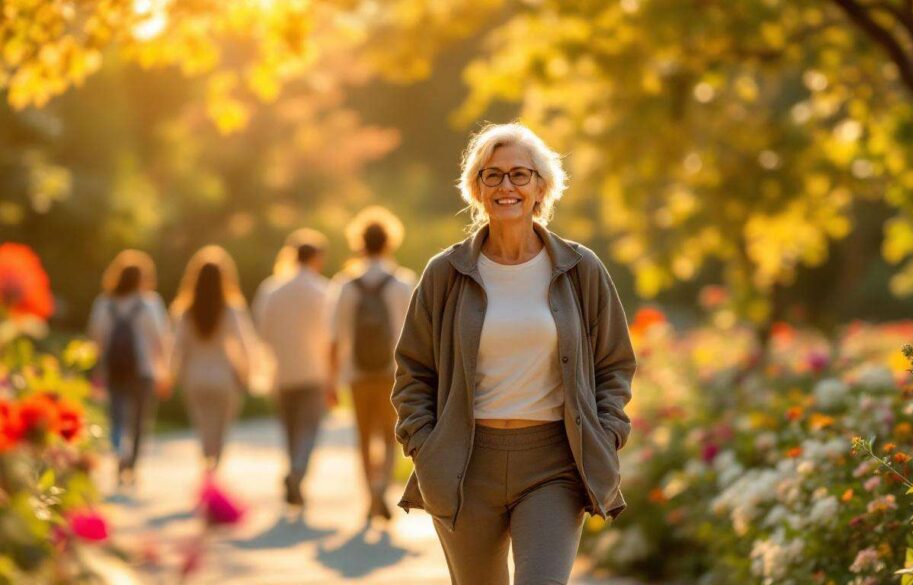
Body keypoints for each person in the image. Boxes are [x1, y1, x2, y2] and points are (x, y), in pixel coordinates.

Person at [392, 122, 636, 584]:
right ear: (477, 188)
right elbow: (413, 371)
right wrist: (423, 446)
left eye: (520, 175)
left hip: (554, 465)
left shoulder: (580, 269)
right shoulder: (445, 273)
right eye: (493, 175)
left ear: (541, 187)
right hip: (465, 465)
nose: (507, 186)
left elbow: (615, 363)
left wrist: (607, 432)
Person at [329, 206, 416, 522]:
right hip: (394, 374)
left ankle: (370, 493)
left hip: (358, 373)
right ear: (390, 242)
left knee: (364, 435)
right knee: (390, 433)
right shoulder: (403, 282)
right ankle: (382, 489)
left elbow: (335, 336)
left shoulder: (345, 284)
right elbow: (417, 334)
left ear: (360, 242)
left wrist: (331, 379)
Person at [257, 231, 332, 506]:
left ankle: (293, 470)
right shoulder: (323, 290)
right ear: (316, 258)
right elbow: (332, 336)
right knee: (309, 430)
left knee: (290, 431)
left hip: (283, 373)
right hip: (314, 372)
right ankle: (297, 472)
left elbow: (262, 332)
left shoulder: (272, 289)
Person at [170, 246, 259, 473]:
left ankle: (206, 464)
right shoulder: (231, 309)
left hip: (195, 377)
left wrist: (173, 376)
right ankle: (214, 468)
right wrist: (248, 374)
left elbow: (178, 348)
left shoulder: (186, 311)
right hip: (223, 377)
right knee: (220, 429)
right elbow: (245, 345)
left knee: (203, 428)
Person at [87, 249, 170, 487]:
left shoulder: (104, 303)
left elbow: (96, 339)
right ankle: (131, 465)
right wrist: (164, 372)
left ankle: (119, 451)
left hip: (114, 370)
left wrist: (97, 371)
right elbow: (160, 339)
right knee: (139, 420)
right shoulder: (150, 303)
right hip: (143, 370)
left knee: (117, 416)